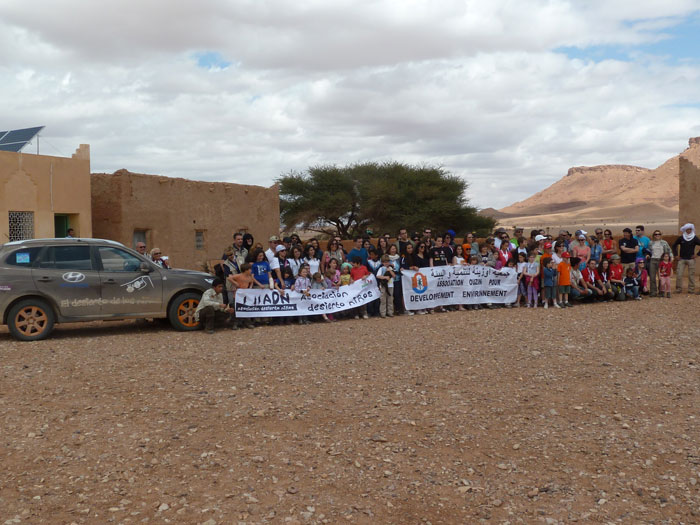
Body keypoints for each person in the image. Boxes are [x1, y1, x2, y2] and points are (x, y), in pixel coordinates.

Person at [672, 223, 700, 294]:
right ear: (685, 230)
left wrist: (697, 255)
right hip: (682, 259)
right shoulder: (681, 238)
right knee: (679, 274)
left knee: (691, 275)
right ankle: (678, 289)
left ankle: (691, 289)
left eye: (690, 229)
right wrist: (676, 255)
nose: (689, 230)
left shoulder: (694, 238)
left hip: (691, 259)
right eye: (688, 229)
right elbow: (674, 245)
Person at [647, 230, 671, 297]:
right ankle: (653, 292)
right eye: (656, 234)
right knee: (652, 276)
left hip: (661, 260)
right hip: (653, 260)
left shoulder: (664, 242)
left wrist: (670, 257)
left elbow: (669, 250)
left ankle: (661, 291)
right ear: (653, 235)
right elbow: (648, 251)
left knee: (661, 276)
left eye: (659, 234)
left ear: (661, 235)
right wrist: (647, 255)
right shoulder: (650, 243)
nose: (657, 235)